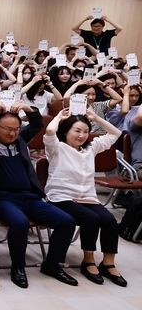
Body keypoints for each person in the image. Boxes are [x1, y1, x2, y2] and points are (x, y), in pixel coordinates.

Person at [0, 103, 78, 288]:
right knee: (20, 223)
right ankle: (18, 267)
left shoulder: (20, 140)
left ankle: (52, 264)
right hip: (0, 198)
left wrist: (28, 109)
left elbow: (37, 124)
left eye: (16, 129)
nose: (13, 133)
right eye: (8, 129)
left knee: (66, 221)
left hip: (29, 197)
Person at [43, 109, 126, 286]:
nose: (82, 135)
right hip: (61, 197)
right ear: (66, 131)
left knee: (110, 220)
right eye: (77, 131)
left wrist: (96, 118)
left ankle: (108, 263)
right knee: (91, 219)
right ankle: (88, 260)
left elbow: (116, 133)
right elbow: (50, 131)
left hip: (87, 197)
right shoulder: (57, 148)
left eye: (86, 131)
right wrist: (58, 116)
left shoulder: (91, 148)